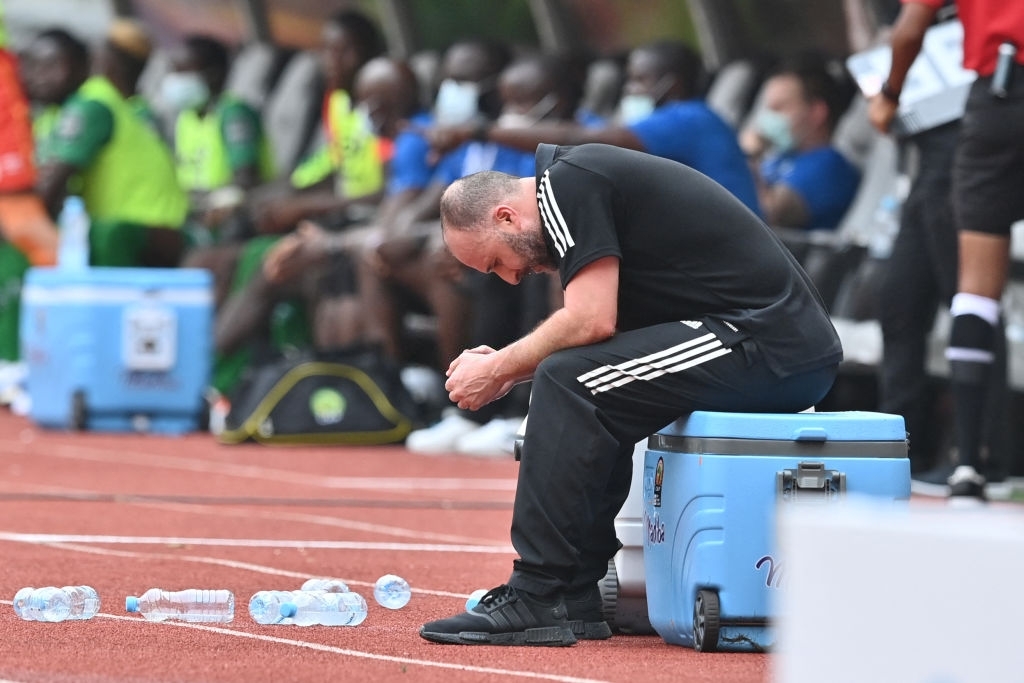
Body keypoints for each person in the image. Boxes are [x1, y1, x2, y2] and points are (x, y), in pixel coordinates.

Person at [418, 143, 841, 646]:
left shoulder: (568, 182)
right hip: (759, 339)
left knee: (568, 381)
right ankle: (574, 592)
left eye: (496, 262)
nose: (511, 278)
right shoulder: (579, 184)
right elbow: (601, 337)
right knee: (578, 383)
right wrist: (509, 370)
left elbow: (590, 320)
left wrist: (498, 368)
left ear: (506, 217)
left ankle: (537, 592)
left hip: (768, 341)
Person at [868, 0, 1024, 502]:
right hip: (979, 105)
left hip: (1000, 92)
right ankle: (957, 457)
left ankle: (973, 465)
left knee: (974, 291)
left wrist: (888, 93)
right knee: (915, 297)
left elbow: (908, 27)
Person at [427, 40, 761, 216]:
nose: (629, 89)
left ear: (671, 85)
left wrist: (480, 132)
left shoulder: (689, 118)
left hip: (726, 247)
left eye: (639, 80)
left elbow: (582, 140)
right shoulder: (685, 119)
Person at [32, 20, 188, 267]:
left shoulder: (91, 105)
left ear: (84, 66)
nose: (38, 77)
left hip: (144, 231)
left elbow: (46, 192)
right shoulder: (58, 112)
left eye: (51, 66)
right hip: (134, 228)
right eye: (32, 66)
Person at [740, 53, 861, 230]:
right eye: (768, 109)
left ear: (817, 112)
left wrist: (749, 157)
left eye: (778, 108)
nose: (768, 118)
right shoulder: (779, 158)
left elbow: (767, 214)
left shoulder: (829, 165)